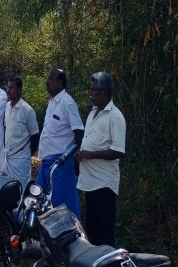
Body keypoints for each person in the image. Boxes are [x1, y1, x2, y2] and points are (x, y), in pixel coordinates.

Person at [76, 72, 126, 246]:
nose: (91, 93)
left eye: (94, 90)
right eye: (90, 89)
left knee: (105, 235)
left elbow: (118, 151)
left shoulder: (115, 116)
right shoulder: (92, 113)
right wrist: (81, 153)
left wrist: (89, 154)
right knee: (93, 233)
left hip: (104, 184)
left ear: (104, 92)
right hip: (90, 182)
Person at [37, 68, 84, 217]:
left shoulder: (67, 103)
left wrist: (72, 156)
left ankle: (72, 237)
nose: (47, 82)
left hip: (61, 163)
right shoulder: (52, 102)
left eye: (51, 79)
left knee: (61, 206)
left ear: (60, 82)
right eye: (47, 78)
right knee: (41, 201)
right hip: (46, 163)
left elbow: (79, 132)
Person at [4, 76, 40, 186]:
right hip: (7, 158)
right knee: (6, 189)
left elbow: (35, 136)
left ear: (19, 90)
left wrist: (27, 154)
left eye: (12, 88)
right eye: (8, 87)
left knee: (21, 189)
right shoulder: (6, 106)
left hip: (21, 160)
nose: (8, 90)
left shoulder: (27, 110)